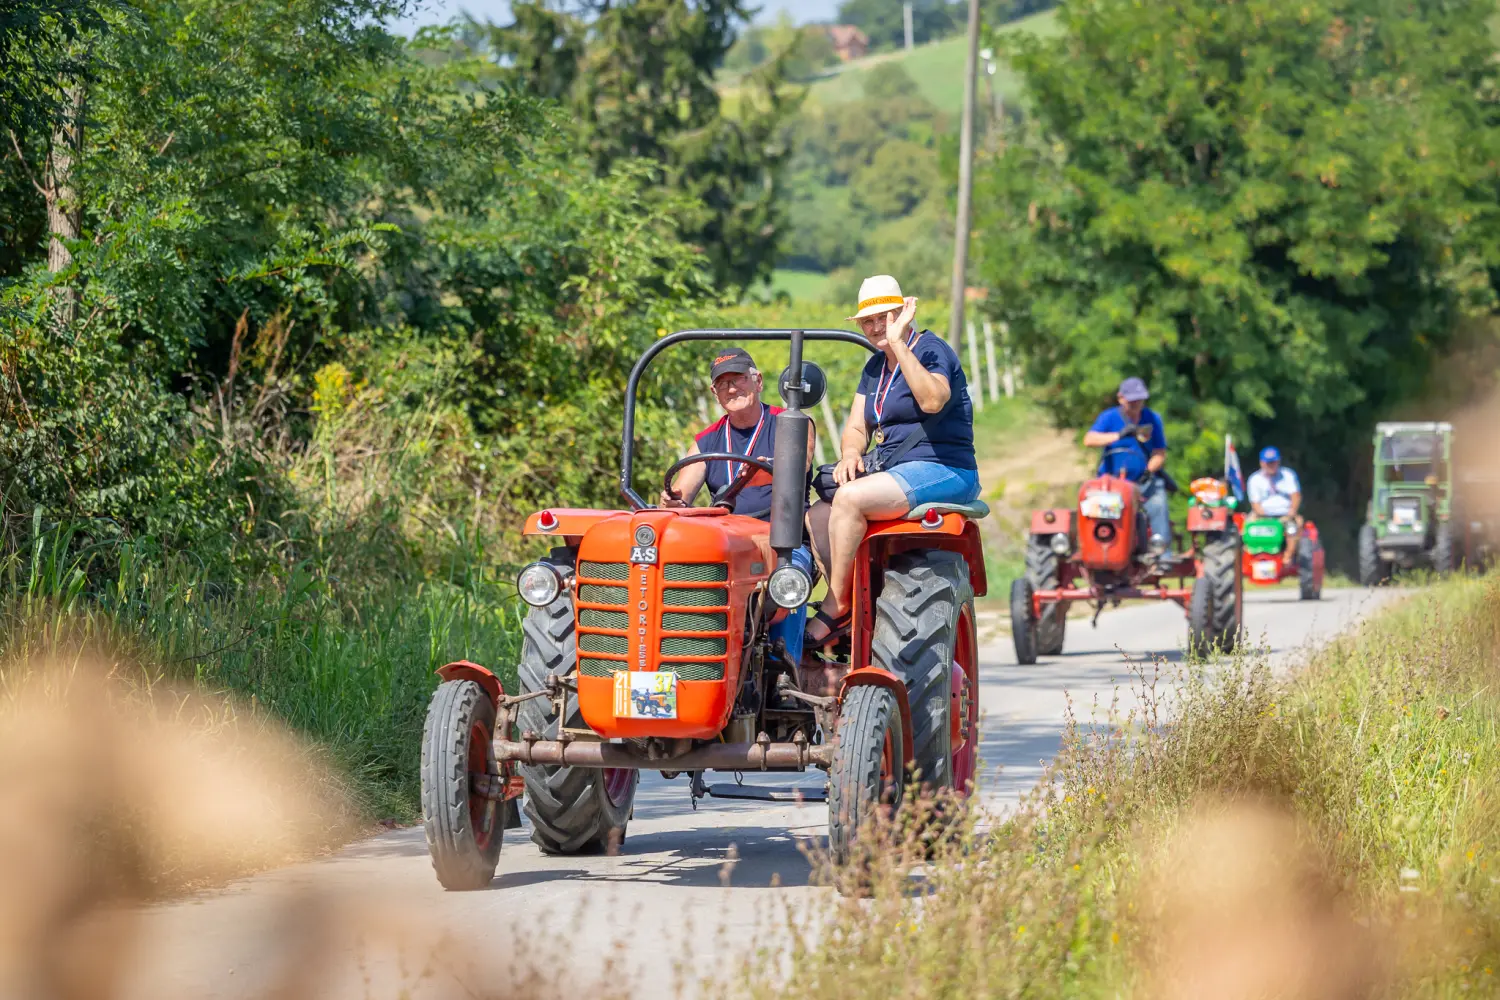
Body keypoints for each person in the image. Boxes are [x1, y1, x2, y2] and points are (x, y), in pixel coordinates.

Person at [804, 274, 979, 648]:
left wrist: (899, 344)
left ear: (902, 313)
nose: (874, 327)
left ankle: (834, 607)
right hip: (893, 469)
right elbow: (855, 425)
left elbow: (933, 401)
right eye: (868, 321)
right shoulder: (874, 369)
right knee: (817, 513)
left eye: (883, 317)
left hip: (943, 467)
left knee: (850, 499)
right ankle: (855, 600)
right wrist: (851, 452)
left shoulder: (932, 351)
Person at [660, 346, 817, 664]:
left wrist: (760, 473)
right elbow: (683, 490)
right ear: (714, 392)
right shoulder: (708, 440)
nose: (732, 388)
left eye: (739, 379)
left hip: (781, 541)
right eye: (723, 383)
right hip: (729, 547)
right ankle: (691, 662)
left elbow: (798, 467)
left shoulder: (792, 424)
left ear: (758, 381)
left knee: (787, 581)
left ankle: (783, 672)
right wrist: (673, 499)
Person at [1082, 377, 1171, 563]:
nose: (1136, 404)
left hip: (1142, 483)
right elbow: (1089, 439)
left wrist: (1148, 470)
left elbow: (1160, 453)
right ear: (1121, 398)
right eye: (1132, 400)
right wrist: (1119, 435)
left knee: (1158, 502)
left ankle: (1162, 555)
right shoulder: (1109, 417)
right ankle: (1096, 551)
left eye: (1139, 399)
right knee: (1090, 508)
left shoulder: (1153, 418)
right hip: (1110, 485)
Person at [1247, 446, 1302, 558]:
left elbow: (1295, 496)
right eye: (1268, 463)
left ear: (1278, 461)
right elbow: (1255, 503)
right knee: (1246, 528)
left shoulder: (1288, 475)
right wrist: (1264, 517)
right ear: (1262, 463)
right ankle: (1249, 556)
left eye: (1274, 462)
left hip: (1285, 514)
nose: (1271, 465)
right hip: (1262, 515)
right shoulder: (1254, 479)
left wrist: (1292, 510)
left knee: (1294, 527)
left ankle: (1288, 556)